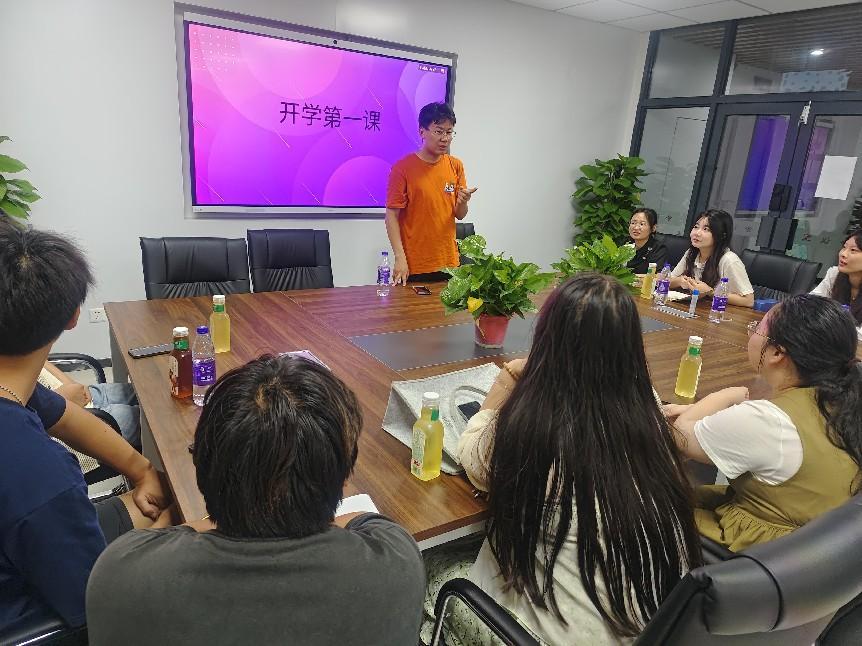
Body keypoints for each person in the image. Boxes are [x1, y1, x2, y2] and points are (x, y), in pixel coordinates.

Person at [421, 274, 701, 645]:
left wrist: (506, 381)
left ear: (547, 341)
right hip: (646, 627)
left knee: (427, 564)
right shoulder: (648, 416)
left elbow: (472, 455)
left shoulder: (536, 428)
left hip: (549, 638)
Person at [86, 354, 426, 646]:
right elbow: (360, 517)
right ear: (343, 478)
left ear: (202, 468)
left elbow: (175, 535)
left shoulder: (121, 574)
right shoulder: (396, 562)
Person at [0, 220, 171, 633]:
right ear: (74, 317)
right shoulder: (38, 472)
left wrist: (142, 470)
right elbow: (100, 607)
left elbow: (61, 413)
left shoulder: (12, 389)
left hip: (29, 544)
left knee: (162, 494)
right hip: (32, 611)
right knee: (190, 524)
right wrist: (172, 536)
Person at [665, 295, 862, 552]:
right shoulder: (842, 401)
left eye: (757, 328)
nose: (752, 332)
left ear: (777, 352)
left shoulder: (770, 421)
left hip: (758, 549)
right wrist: (702, 412)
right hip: (815, 546)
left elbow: (679, 436)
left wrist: (726, 395)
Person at [385, 102, 478, 285]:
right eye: (438, 131)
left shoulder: (455, 165)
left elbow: (460, 214)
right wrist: (399, 257)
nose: (445, 138)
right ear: (422, 132)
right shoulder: (402, 168)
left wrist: (463, 201)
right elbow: (391, 216)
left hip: (449, 263)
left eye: (449, 132)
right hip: (414, 264)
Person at [40, 360, 141, 447]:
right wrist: (61, 400)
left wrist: (73, 385)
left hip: (73, 395)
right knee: (143, 418)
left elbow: (40, 361)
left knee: (139, 391)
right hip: (63, 420)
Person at [669, 209, 754, 307]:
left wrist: (710, 292)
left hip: (720, 312)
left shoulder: (729, 260)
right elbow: (668, 281)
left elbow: (748, 301)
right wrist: (680, 281)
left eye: (706, 229)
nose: (697, 233)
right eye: (696, 227)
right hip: (698, 308)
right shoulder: (692, 253)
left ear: (721, 236)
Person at [811, 230, 862, 341]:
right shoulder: (834, 274)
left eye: (853, 250)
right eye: (844, 247)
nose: (843, 254)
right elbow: (810, 303)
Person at [626, 207, 668, 274]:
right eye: (633, 223)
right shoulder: (627, 245)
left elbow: (656, 275)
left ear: (653, 228)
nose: (636, 227)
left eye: (642, 224)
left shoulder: (658, 249)